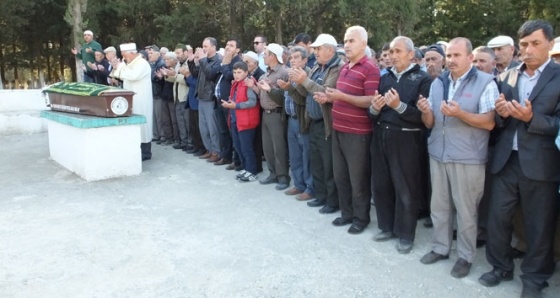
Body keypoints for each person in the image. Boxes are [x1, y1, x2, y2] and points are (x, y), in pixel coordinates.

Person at [479, 20, 560, 298]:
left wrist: (531, 118)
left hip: (542, 163)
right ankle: (500, 267)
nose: (528, 50)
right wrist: (501, 112)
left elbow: (558, 124)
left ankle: (535, 278)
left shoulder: (559, 77)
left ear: (550, 44)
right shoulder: (509, 76)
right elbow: (500, 121)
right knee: (497, 218)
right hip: (506, 161)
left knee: (539, 224)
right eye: (524, 44)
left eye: (535, 43)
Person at [417, 37, 498, 278]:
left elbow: (489, 122)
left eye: (456, 55)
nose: (451, 60)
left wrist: (460, 113)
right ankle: (441, 248)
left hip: (468, 157)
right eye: (448, 56)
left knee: (466, 210)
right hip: (439, 153)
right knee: (439, 206)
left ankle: (465, 256)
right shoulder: (438, 82)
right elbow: (430, 123)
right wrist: (425, 112)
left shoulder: (486, 82)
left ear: (470, 58)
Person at [370, 36, 432, 254]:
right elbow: (374, 112)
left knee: (406, 188)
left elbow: (423, 117)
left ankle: (406, 234)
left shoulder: (422, 79)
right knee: (382, 184)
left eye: (397, 51)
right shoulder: (384, 76)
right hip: (382, 135)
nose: (393, 56)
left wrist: (398, 106)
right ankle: (386, 227)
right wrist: (375, 108)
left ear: (410, 54)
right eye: (391, 52)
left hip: (407, 138)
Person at [317, 26, 379, 234]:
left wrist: (341, 97)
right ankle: (347, 213)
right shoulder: (345, 67)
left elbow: (371, 100)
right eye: (346, 41)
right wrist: (328, 98)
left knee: (358, 178)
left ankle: (361, 218)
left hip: (358, 134)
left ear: (363, 43)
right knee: (341, 176)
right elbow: (340, 96)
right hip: (339, 130)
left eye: (352, 41)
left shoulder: (370, 68)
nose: (347, 45)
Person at [291, 34, 343, 214]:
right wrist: (294, 84)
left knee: (328, 164)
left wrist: (304, 80)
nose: (315, 52)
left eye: (319, 48)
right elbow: (307, 92)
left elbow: (327, 92)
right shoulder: (316, 67)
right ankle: (321, 196)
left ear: (330, 50)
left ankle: (332, 201)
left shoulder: (337, 68)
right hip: (312, 121)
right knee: (317, 163)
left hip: (326, 123)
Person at [278, 46, 314, 201]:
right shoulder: (289, 74)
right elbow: (284, 97)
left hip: (303, 120)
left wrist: (296, 85)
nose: (293, 60)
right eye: (291, 57)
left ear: (305, 60)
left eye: (297, 57)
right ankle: (298, 184)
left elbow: (307, 98)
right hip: (290, 119)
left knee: (306, 155)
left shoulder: (309, 75)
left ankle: (310, 187)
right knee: (295, 156)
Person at [254, 44, 291, 191]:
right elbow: (262, 93)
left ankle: (283, 177)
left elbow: (284, 97)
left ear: (273, 56)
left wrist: (270, 89)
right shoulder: (266, 74)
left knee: (279, 148)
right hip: (266, 114)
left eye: (266, 53)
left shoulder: (284, 72)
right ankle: (272, 173)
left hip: (277, 114)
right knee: (268, 147)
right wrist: (254, 87)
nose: (264, 56)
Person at [109, 43, 153, 161]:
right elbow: (119, 76)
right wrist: (116, 67)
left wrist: (119, 67)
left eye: (125, 55)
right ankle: (135, 149)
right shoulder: (129, 63)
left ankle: (146, 152)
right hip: (131, 98)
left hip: (141, 99)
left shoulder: (142, 64)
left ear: (132, 53)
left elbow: (133, 76)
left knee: (143, 126)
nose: (124, 58)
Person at [221, 61, 260, 182]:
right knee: (238, 147)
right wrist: (229, 104)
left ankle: (252, 171)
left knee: (246, 148)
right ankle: (245, 168)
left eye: (239, 72)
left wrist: (236, 106)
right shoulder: (236, 83)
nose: (236, 75)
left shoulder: (248, 83)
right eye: (234, 72)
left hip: (246, 121)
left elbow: (252, 102)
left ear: (246, 72)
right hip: (235, 120)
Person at [187, 37, 222, 163]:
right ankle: (209, 149)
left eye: (206, 46)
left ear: (213, 47)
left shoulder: (218, 60)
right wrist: (191, 62)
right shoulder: (205, 60)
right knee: (204, 128)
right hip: (201, 97)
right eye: (203, 46)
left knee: (212, 128)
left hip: (210, 98)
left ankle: (216, 151)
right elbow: (196, 73)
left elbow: (211, 74)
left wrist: (201, 59)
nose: (203, 49)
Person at [215, 38, 244, 166]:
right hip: (220, 100)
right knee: (223, 131)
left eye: (231, 46)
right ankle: (225, 156)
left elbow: (230, 76)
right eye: (226, 45)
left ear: (237, 50)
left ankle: (235, 159)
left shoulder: (238, 62)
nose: (227, 47)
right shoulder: (225, 60)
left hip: (230, 101)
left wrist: (225, 65)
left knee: (232, 132)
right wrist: (224, 65)